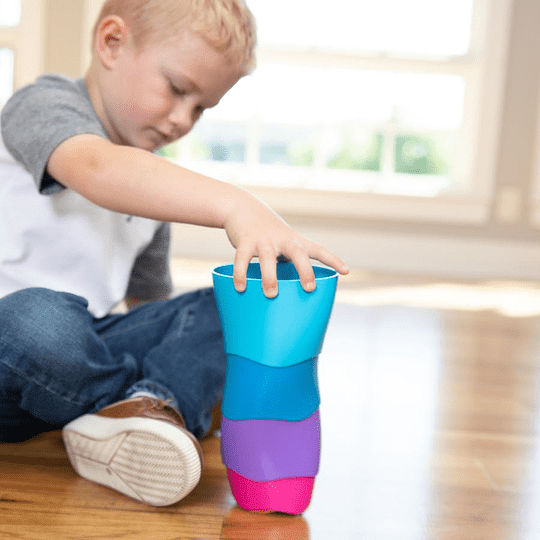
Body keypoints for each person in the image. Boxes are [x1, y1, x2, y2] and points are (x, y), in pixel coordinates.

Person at [0, 0, 349, 507]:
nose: (184, 119)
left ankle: (145, 405)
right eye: (178, 89)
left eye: (201, 107)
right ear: (112, 43)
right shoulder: (43, 104)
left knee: (228, 308)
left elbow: (152, 311)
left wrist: (201, 357)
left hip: (87, 354)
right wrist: (237, 206)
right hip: (14, 343)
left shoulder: (150, 185)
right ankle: (157, 406)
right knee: (38, 319)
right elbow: (97, 168)